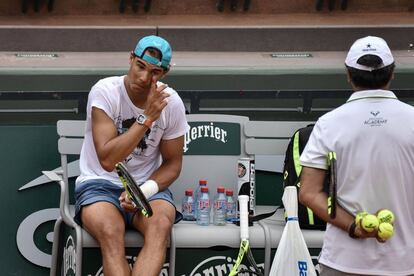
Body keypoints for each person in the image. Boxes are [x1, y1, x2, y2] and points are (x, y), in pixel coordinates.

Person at [74, 35, 189, 276]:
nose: (144, 78)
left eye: (155, 72)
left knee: (160, 227)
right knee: (110, 232)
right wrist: (146, 119)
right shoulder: (105, 91)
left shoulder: (172, 103)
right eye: (140, 66)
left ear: (164, 74)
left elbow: (173, 163)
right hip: (99, 184)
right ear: (131, 59)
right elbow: (107, 160)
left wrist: (142, 192)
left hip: (146, 188)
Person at [299, 36, 414, 276]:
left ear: (348, 74)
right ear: (392, 73)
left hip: (342, 262)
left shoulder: (328, 124)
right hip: (405, 264)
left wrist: (354, 227)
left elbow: (308, 193)